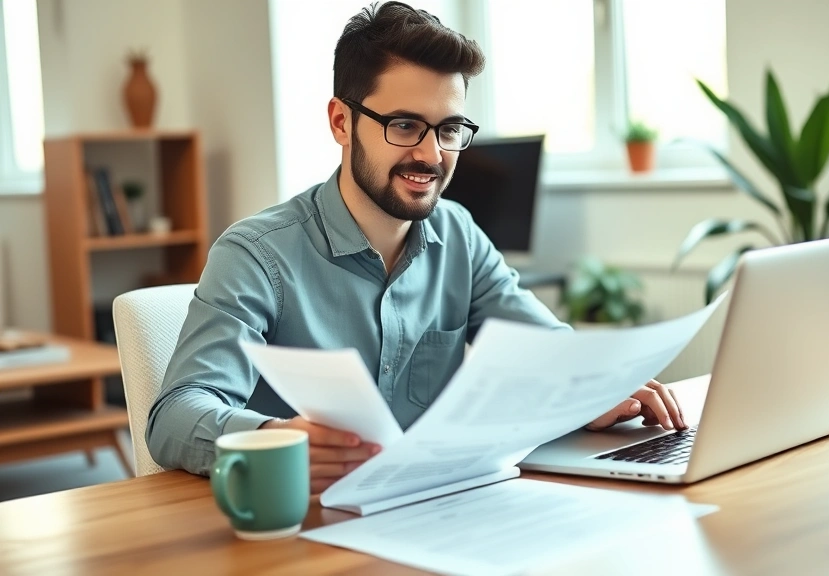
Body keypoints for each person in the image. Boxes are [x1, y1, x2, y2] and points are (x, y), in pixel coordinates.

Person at [147, 1, 686, 495]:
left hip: (436, 508)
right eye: (404, 125)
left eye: (449, 128)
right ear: (341, 122)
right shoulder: (256, 254)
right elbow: (174, 417)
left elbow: (547, 351)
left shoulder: (460, 236)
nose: (431, 155)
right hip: (306, 527)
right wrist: (276, 438)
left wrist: (593, 386)